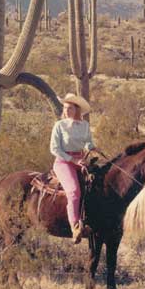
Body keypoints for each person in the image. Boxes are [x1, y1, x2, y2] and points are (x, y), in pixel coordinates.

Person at [49, 93, 98, 244]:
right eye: (65, 108)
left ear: (77, 110)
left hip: (81, 160)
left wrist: (91, 147)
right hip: (64, 162)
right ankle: (75, 226)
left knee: (96, 185)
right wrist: (73, 160)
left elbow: (88, 142)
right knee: (74, 191)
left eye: (70, 108)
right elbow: (54, 149)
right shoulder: (60, 125)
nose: (66, 111)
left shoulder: (84, 126)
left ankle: (93, 221)